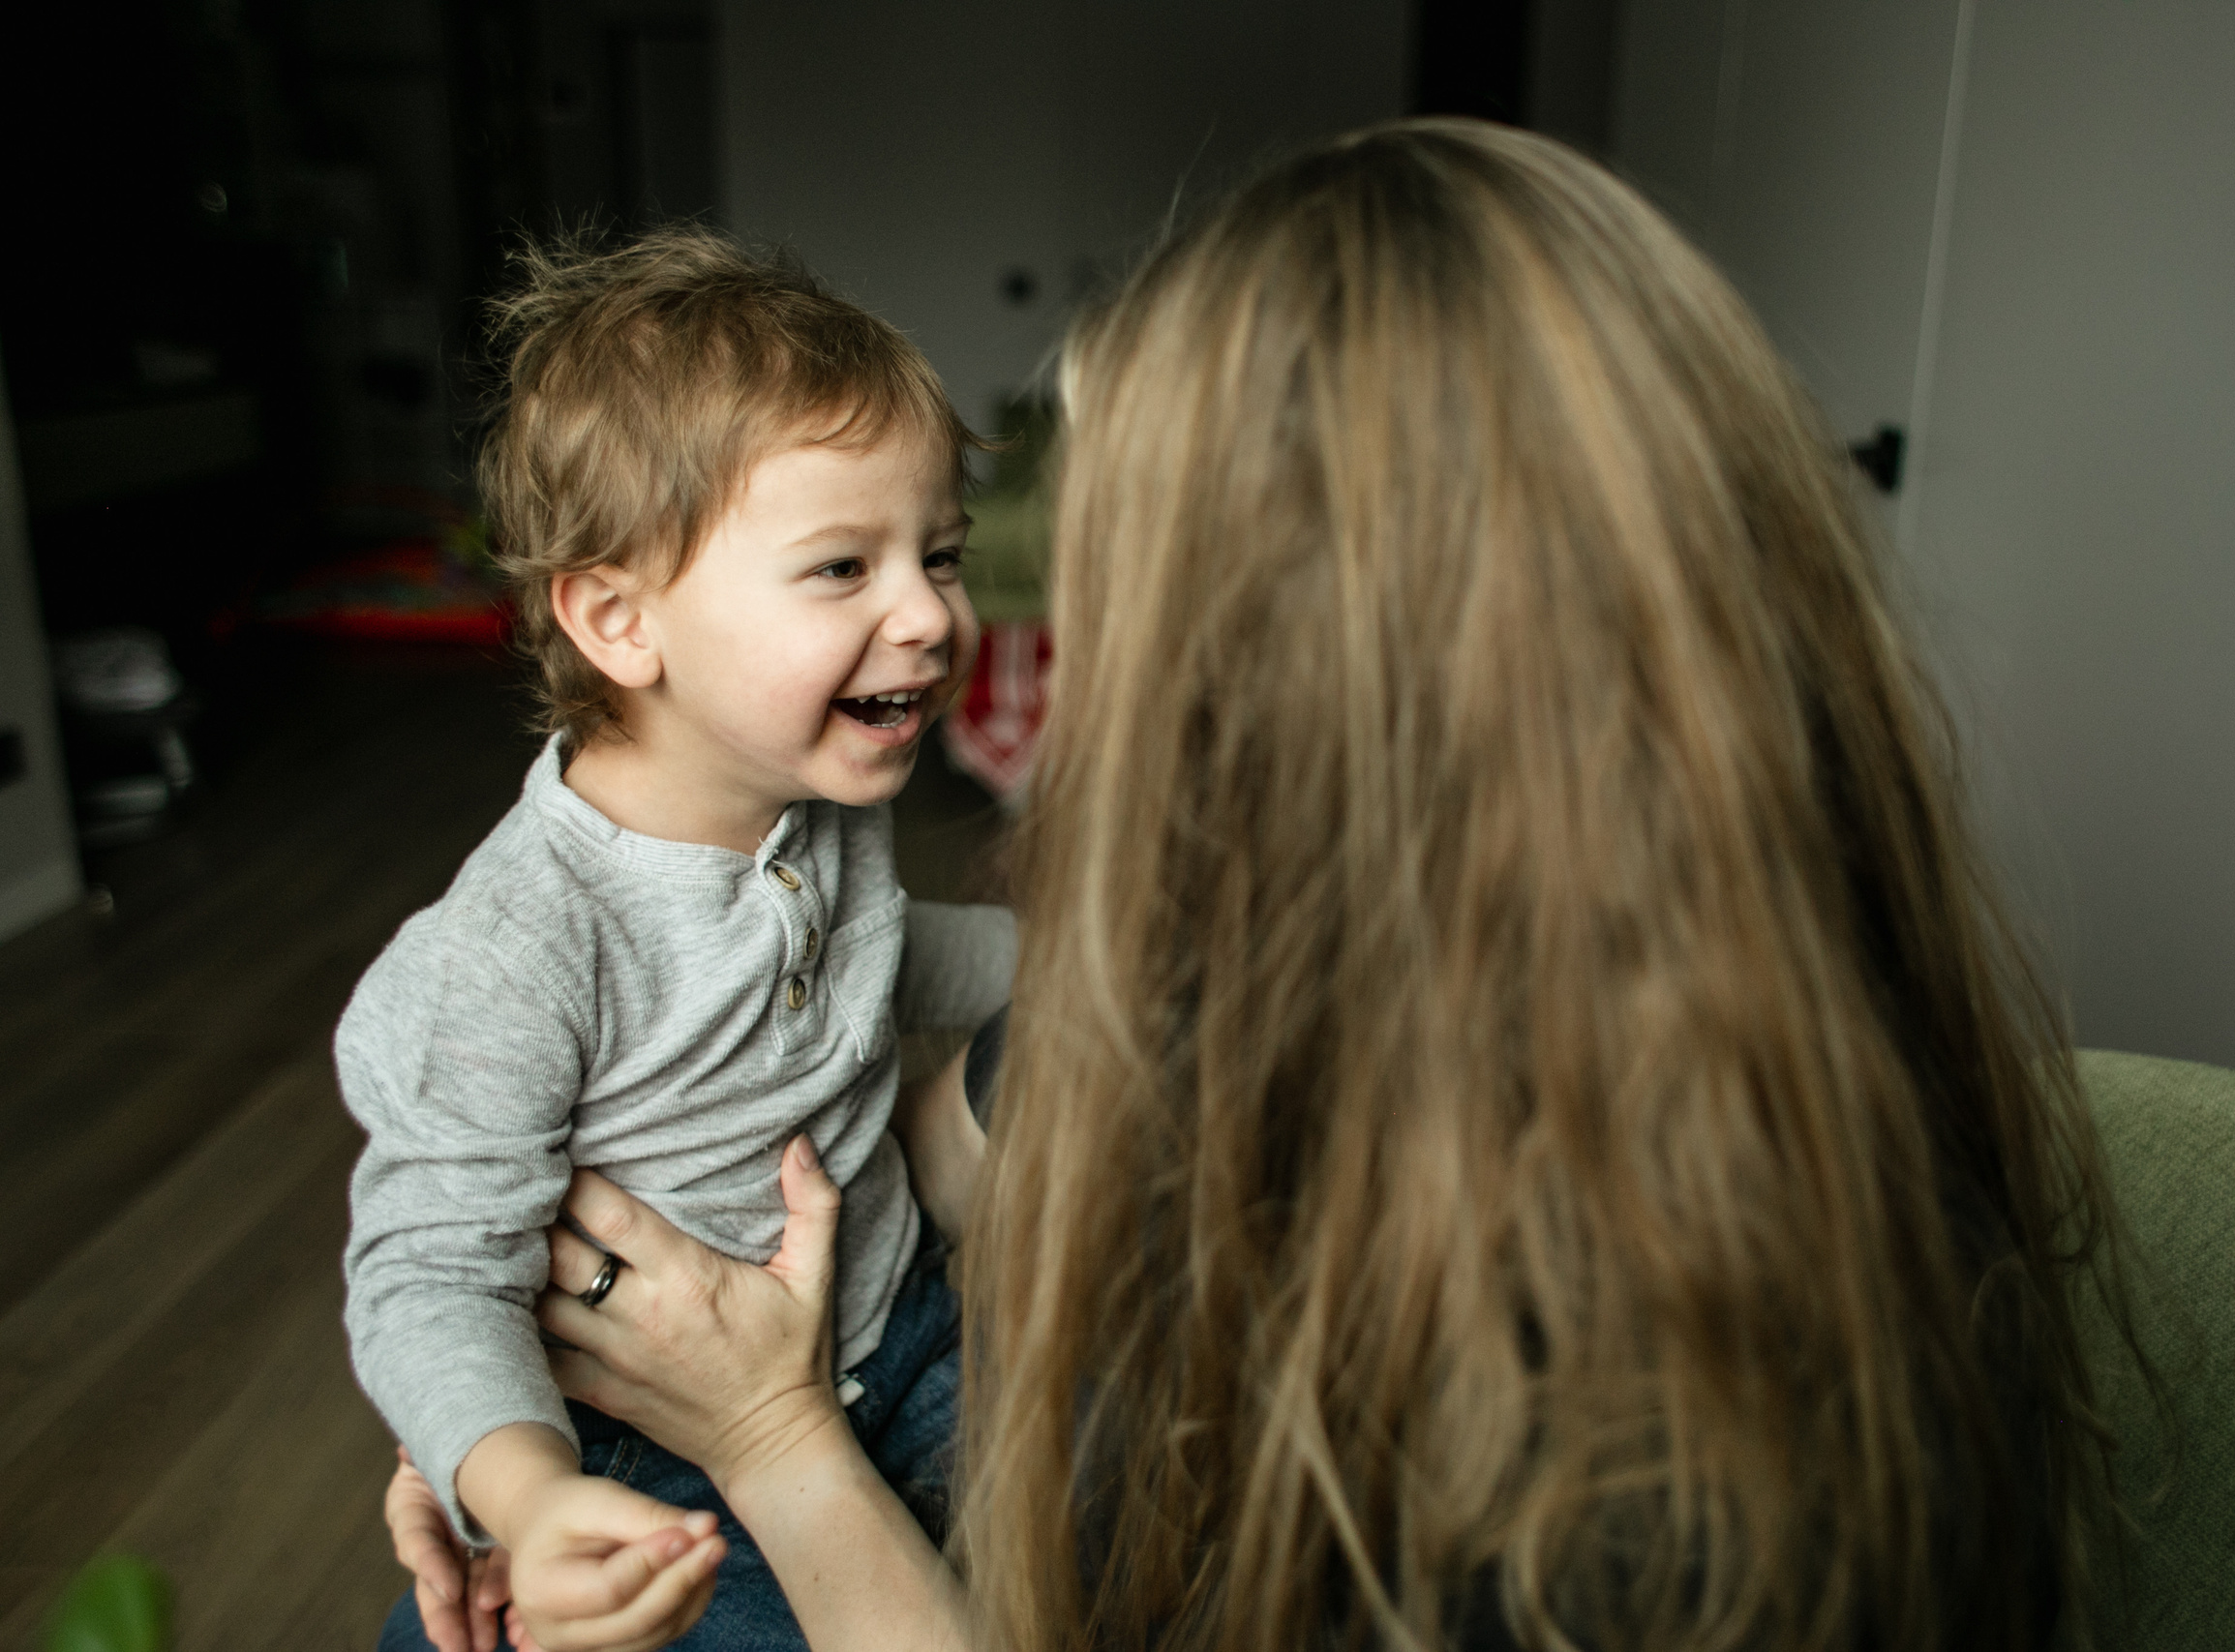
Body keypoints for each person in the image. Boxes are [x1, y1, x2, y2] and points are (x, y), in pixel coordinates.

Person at [386, 120, 2140, 1652]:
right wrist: (523, 1422)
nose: (953, 622)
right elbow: (913, 1125)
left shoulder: (1635, 1502)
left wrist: (766, 1440)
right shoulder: (1226, 991)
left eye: (1095, 572)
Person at [340, 228, 1015, 1652]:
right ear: (618, 620)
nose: (927, 614)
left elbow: (887, 959)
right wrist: (526, 1501)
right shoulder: (526, 944)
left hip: (902, 1342)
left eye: (938, 554)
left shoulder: (813, 803)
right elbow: (427, 1270)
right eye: (842, 568)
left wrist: (1078, 966)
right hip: (658, 1466)